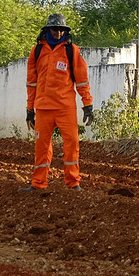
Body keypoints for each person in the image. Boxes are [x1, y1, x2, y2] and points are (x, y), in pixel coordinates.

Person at [19, 13, 94, 192]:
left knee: (72, 145)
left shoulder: (71, 50)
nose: (58, 33)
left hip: (65, 107)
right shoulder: (36, 51)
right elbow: (31, 83)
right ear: (48, 30)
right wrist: (30, 110)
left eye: (62, 30)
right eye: (55, 29)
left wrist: (87, 105)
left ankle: (73, 182)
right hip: (43, 107)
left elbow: (82, 80)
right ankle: (38, 183)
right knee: (41, 147)